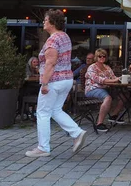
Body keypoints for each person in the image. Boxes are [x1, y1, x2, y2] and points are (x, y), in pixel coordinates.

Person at [26, 10, 87, 158]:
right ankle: (77, 133)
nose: (44, 22)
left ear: (52, 22)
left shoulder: (53, 40)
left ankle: (43, 147)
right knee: (55, 110)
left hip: (54, 81)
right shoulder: (65, 37)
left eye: (46, 20)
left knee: (42, 113)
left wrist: (44, 83)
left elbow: (50, 63)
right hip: (66, 79)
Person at [85, 49, 125, 133]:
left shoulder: (107, 67)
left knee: (124, 95)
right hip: (93, 89)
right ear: (96, 57)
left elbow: (113, 77)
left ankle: (114, 115)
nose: (102, 57)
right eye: (100, 56)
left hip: (106, 88)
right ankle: (99, 124)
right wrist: (113, 81)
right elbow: (98, 79)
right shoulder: (92, 67)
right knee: (108, 98)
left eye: (104, 56)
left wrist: (119, 79)